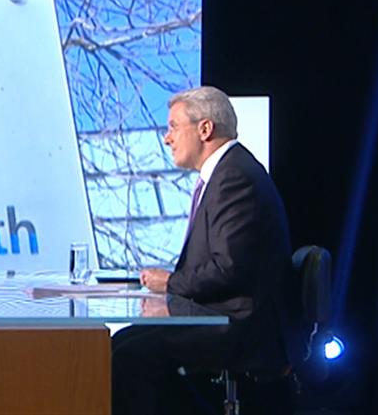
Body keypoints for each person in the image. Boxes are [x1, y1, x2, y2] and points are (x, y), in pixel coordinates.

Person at [112, 86, 299, 414]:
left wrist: (170, 286)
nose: (167, 138)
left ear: (205, 129)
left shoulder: (234, 177)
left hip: (240, 326)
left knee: (129, 356)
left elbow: (228, 268)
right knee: (122, 344)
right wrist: (172, 299)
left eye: (173, 127)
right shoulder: (227, 172)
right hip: (225, 314)